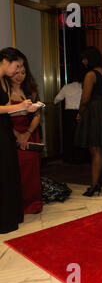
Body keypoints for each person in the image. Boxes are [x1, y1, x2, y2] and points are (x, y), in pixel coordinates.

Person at [0, 47, 39, 234]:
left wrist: (24, 110)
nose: (18, 71)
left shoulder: (4, 82)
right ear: (5, 61)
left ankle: (11, 217)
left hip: (5, 131)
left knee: (9, 173)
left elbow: (7, 108)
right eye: (17, 66)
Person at [8, 53, 43, 215]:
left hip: (30, 134)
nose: (19, 76)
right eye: (16, 72)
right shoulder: (5, 92)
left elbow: (37, 115)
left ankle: (33, 203)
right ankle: (17, 205)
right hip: (10, 134)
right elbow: (5, 117)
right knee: (15, 170)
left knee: (32, 169)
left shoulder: (30, 91)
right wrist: (17, 135)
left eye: (23, 73)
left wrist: (27, 133)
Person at [74, 46, 102, 197]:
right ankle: (98, 182)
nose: (83, 61)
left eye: (84, 58)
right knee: (99, 148)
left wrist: (80, 113)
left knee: (94, 149)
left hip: (93, 112)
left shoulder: (90, 75)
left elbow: (85, 98)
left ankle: (94, 185)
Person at [54, 73, 86, 164]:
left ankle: (69, 157)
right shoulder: (82, 87)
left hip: (69, 113)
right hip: (81, 112)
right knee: (80, 135)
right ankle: (80, 158)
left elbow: (56, 99)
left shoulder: (66, 87)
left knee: (69, 135)